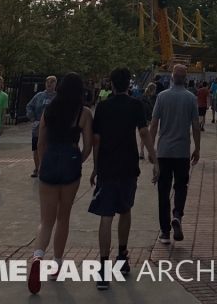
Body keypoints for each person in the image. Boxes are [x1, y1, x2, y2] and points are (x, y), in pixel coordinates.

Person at [88, 68, 158, 290]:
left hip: (107, 165)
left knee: (106, 216)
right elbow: (144, 133)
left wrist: (95, 167)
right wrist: (154, 158)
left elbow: (96, 140)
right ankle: (122, 256)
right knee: (125, 209)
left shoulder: (103, 106)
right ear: (129, 83)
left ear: (112, 84)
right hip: (128, 164)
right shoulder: (136, 105)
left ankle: (103, 268)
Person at [28, 73, 93, 295]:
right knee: (63, 217)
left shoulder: (49, 110)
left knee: (46, 220)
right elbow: (88, 145)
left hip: (50, 158)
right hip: (71, 159)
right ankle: (56, 264)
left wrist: (44, 161)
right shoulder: (83, 113)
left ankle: (38, 256)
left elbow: (40, 141)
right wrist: (78, 161)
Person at [149, 64, 200, 245]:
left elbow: (154, 124)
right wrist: (197, 148)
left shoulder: (162, 97)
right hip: (182, 152)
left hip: (164, 152)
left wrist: (150, 149)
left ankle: (164, 232)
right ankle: (177, 214)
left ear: (171, 77)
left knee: (163, 192)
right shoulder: (191, 98)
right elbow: (195, 125)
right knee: (181, 186)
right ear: (185, 78)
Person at [27, 76, 58, 178]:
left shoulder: (57, 97)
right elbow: (29, 106)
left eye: (51, 82)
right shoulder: (39, 96)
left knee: (49, 148)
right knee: (36, 148)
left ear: (55, 84)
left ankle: (48, 167)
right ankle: (37, 167)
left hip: (51, 128)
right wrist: (31, 117)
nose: (49, 84)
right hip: (38, 128)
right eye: (47, 82)